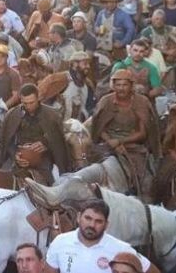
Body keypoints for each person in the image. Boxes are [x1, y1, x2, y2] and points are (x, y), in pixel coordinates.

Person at [91, 69, 160, 197]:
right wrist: (110, 141)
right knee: (86, 164)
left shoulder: (142, 102)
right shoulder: (106, 101)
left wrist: (120, 141)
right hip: (107, 144)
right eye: (118, 85)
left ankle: (145, 202)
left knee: (147, 182)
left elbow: (142, 133)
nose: (121, 88)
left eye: (124, 85)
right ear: (113, 86)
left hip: (133, 146)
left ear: (131, 86)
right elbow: (99, 127)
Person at [45, 199, 157, 273]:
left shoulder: (121, 248)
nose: (92, 225)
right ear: (78, 217)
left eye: (98, 221)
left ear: (106, 225)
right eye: (88, 218)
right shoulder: (60, 242)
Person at [0, 83, 68, 185]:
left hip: (44, 158)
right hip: (20, 157)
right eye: (25, 103)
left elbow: (57, 139)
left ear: (38, 98)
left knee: (49, 183)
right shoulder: (13, 115)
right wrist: (15, 155)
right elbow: (8, 141)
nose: (28, 106)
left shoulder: (51, 115)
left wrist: (45, 144)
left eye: (31, 102)